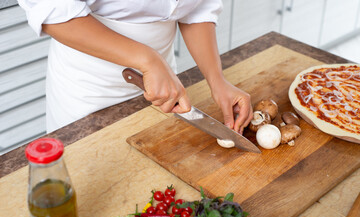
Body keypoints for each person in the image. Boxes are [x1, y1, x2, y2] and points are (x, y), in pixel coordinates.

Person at [18, 0, 253, 134]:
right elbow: (51, 11)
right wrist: (147, 59)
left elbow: (196, 8)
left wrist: (217, 80)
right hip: (89, 90)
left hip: (163, 86)